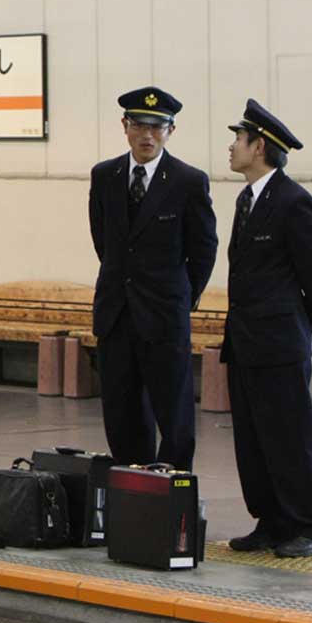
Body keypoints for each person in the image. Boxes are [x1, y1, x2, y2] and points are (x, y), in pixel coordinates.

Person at [222, 99, 312, 558]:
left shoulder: (294, 202)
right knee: (253, 441)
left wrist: (305, 333)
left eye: (238, 139)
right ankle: (272, 520)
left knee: (290, 438)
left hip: (281, 345)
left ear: (260, 146)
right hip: (246, 342)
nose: (231, 147)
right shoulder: (247, 199)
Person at [88, 87, 218, 472]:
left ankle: (173, 491)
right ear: (124, 126)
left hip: (164, 315)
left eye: (157, 127)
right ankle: (133, 487)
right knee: (121, 409)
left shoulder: (187, 181)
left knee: (174, 411)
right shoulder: (105, 175)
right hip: (116, 313)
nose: (147, 135)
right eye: (139, 126)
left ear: (171, 131)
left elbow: (203, 249)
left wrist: (180, 297)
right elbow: (105, 242)